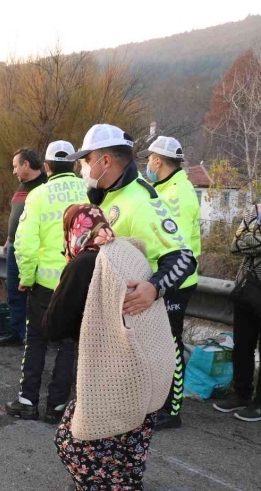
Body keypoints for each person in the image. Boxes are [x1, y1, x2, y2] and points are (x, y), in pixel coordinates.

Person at [46, 204, 173, 491]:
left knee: (73, 443)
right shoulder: (129, 251)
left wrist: (66, 276)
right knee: (124, 451)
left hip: (114, 375)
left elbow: (54, 326)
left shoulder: (86, 263)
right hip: (153, 367)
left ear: (74, 231)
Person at [67, 124, 198, 431]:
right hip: (114, 315)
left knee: (126, 402)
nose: (83, 167)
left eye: (86, 160)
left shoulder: (142, 201)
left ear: (105, 161)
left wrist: (154, 288)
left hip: (138, 313)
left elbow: (183, 258)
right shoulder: (109, 194)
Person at [5, 141, 88, 423]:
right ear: (76, 165)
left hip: (43, 284)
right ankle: (57, 407)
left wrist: (26, 279)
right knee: (67, 345)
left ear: (48, 167)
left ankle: (27, 401)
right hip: (76, 283)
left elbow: (24, 243)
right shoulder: (89, 192)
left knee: (36, 340)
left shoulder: (38, 195)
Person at [137, 136, 202, 428]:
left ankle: (172, 409)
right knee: (159, 342)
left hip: (178, 281)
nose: (147, 163)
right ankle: (156, 399)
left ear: (158, 161)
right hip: (162, 278)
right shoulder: (164, 187)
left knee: (172, 343)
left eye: (149, 158)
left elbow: (176, 246)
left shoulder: (178, 193)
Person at [0, 148, 47, 348]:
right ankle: (15, 333)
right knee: (14, 291)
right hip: (16, 246)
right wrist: (9, 238)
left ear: (26, 164)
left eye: (16, 166)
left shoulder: (44, 185)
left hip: (35, 248)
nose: (14, 171)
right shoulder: (21, 186)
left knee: (35, 294)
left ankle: (35, 335)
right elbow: (16, 214)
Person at [213, 203, 261, 422]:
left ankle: (258, 404)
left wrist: (253, 238)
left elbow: (245, 242)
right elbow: (235, 245)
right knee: (242, 346)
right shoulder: (256, 210)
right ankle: (241, 394)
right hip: (246, 288)